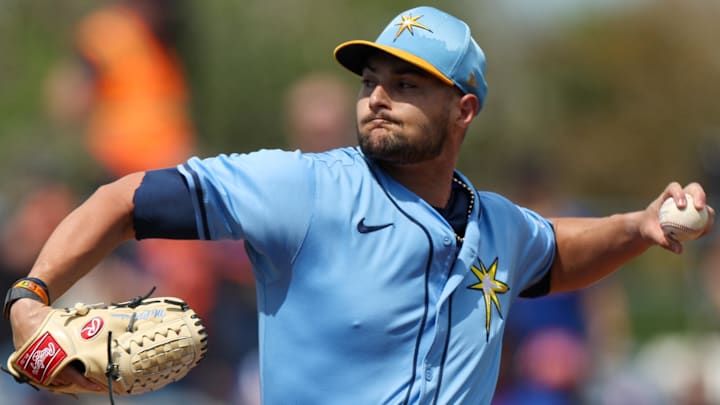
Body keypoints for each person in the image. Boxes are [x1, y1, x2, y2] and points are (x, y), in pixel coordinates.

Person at [4, 6, 715, 404]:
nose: (377, 94)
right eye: (372, 79)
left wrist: (639, 226)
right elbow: (124, 197)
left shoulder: (497, 223)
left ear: (463, 108)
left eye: (407, 83)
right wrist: (32, 296)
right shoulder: (300, 188)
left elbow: (557, 253)